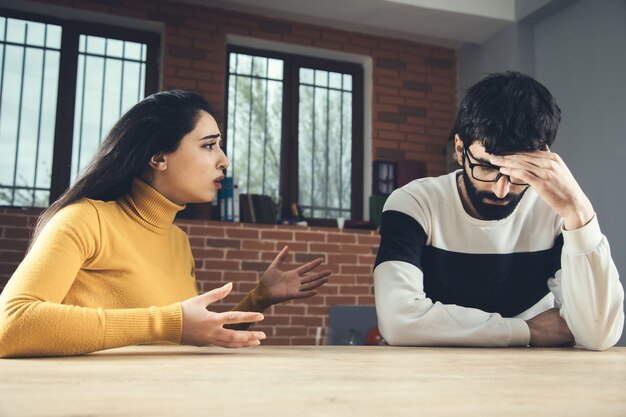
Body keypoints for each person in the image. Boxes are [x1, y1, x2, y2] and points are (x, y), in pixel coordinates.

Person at [0, 90, 331, 358]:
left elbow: (188, 339)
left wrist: (260, 297)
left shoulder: (178, 241)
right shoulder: (85, 220)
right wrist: (171, 322)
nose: (224, 160)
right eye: (209, 145)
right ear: (158, 158)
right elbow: (10, 324)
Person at [373, 71, 624, 350]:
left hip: (535, 376)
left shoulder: (556, 212)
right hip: (435, 375)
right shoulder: (413, 203)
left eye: (519, 172)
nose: (501, 190)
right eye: (486, 167)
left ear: (544, 157)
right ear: (460, 149)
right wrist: (526, 331)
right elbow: (398, 321)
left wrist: (579, 213)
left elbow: (599, 335)